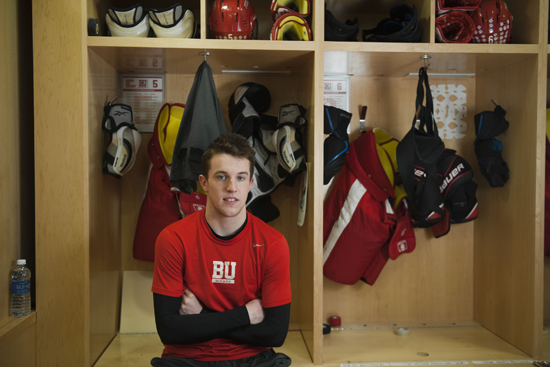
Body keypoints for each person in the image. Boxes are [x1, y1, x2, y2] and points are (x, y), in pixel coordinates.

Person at [151, 132, 293, 367]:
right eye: (221, 177)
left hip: (254, 359)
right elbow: (169, 330)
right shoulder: (173, 239)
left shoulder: (273, 243)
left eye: (240, 178)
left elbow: (275, 334)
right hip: (188, 359)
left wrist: (202, 317)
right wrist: (246, 315)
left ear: (250, 184)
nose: (231, 187)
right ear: (204, 183)